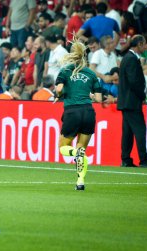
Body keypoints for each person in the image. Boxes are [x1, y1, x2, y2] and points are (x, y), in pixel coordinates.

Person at [55, 38, 102, 191]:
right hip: (88, 112)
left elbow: (59, 89)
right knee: (82, 148)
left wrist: (60, 93)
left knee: (63, 147)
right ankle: (80, 181)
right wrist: (87, 94)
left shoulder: (65, 71)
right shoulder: (91, 74)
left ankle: (76, 153)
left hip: (72, 112)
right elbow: (98, 98)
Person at [117, 35, 147, 168]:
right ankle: (144, 160)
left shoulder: (128, 58)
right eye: (144, 44)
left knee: (128, 132)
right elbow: (134, 82)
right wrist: (142, 96)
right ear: (139, 44)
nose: (145, 47)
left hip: (127, 102)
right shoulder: (132, 59)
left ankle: (126, 160)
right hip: (132, 102)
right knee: (140, 130)